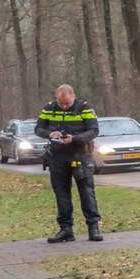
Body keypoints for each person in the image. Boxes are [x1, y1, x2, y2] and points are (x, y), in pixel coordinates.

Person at [34, 84, 103, 243]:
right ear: (56, 98)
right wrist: (50, 133)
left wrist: (75, 138)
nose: (64, 106)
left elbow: (94, 130)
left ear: (73, 96)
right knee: (61, 194)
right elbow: (38, 129)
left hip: (80, 155)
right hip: (57, 157)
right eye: (61, 103)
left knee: (87, 192)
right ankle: (66, 230)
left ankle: (93, 228)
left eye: (67, 103)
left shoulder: (84, 108)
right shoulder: (49, 108)